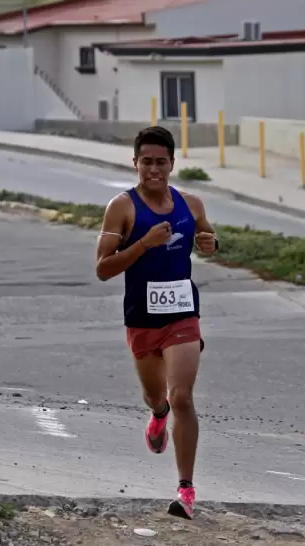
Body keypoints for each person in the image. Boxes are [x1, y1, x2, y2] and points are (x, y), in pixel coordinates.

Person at [95, 125, 218, 520]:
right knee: (158, 397)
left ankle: (186, 490)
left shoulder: (192, 204)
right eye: (145, 161)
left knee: (182, 395)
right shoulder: (123, 208)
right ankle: (157, 415)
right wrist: (143, 244)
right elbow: (102, 268)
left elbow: (208, 238)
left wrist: (211, 244)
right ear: (135, 163)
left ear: (171, 164)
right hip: (142, 319)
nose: (153, 169)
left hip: (183, 313)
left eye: (160, 162)